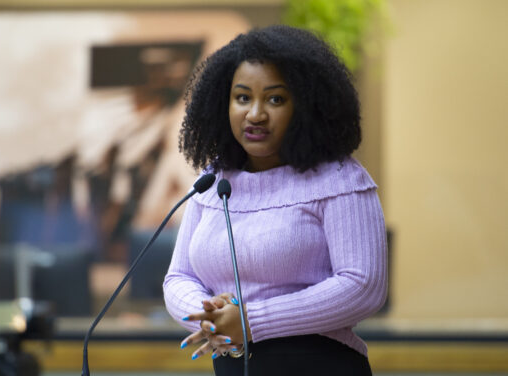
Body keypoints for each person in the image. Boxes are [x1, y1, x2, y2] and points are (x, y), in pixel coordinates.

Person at [162, 25, 387, 375]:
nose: (255, 114)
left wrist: (251, 321)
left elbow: (363, 286)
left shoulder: (340, 178)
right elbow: (178, 277)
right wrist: (210, 316)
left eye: (275, 99)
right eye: (242, 98)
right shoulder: (214, 181)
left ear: (306, 106)